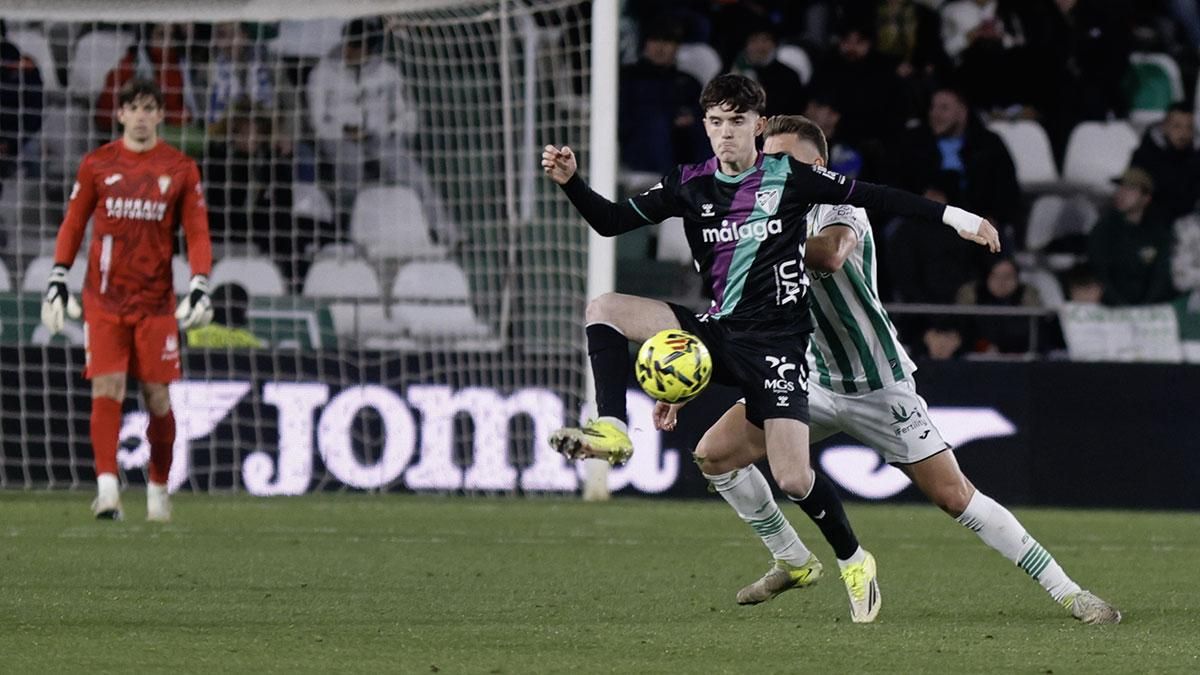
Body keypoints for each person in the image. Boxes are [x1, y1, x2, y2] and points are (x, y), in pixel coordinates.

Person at [541, 74, 999, 622]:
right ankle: (613, 428)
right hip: (717, 329)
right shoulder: (688, 182)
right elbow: (610, 221)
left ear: (758, 126)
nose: (725, 134)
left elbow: (876, 196)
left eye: (737, 122)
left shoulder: (791, 177)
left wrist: (960, 219)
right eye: (716, 122)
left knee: (792, 477)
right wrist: (572, 181)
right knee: (605, 307)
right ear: (705, 125)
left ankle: (854, 560)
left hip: (776, 344)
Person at [652, 114, 1120, 625]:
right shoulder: (764, 215)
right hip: (808, 376)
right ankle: (791, 558)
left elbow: (830, 256)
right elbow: (736, 314)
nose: (774, 169)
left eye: (786, 159)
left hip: (878, 384)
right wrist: (692, 375)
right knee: (714, 455)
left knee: (954, 496)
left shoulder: (839, 208)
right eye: (769, 159)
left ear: (819, 164)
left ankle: (1071, 593)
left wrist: (759, 238)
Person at [40, 78, 213, 522]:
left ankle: (158, 490)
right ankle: (108, 490)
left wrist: (199, 281)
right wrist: (58, 275)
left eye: (149, 108)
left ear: (160, 115)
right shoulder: (98, 164)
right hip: (105, 299)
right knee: (107, 386)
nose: (140, 116)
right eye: (133, 108)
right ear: (119, 114)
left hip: (155, 302)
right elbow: (74, 223)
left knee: (157, 396)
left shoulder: (179, 169)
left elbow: (196, 231)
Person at [1088, 168, 1178, 306]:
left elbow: (1161, 275)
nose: (1121, 194)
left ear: (1146, 198)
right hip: (1111, 310)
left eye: (1130, 189)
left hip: (1150, 311)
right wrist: (1120, 306)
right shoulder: (1103, 230)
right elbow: (1100, 273)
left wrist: (1147, 305)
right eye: (1120, 188)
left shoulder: (1158, 232)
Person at [955, 257, 1043, 354]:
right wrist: (983, 347)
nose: (1002, 282)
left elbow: (1036, 339)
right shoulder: (974, 296)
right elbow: (963, 332)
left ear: (1017, 278)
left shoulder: (1026, 299)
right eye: (996, 276)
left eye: (1007, 276)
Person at [1129, 104, 1200, 222]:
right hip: (1150, 225)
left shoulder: (1196, 159)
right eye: (1177, 126)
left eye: (1189, 127)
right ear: (1165, 127)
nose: (1184, 133)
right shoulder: (1144, 156)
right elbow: (1132, 197)